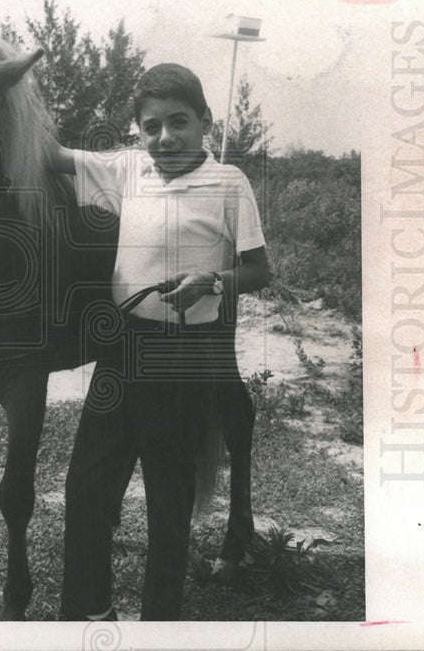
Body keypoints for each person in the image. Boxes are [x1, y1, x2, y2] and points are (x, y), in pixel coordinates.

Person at [52, 63, 270, 620]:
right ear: (136, 131)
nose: (165, 137)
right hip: (121, 347)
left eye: (179, 122)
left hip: (184, 354)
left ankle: (160, 626)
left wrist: (214, 281)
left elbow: (259, 270)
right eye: (151, 127)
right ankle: (88, 618)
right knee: (86, 489)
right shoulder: (128, 169)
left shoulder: (229, 182)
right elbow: (49, 157)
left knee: (168, 503)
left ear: (204, 122)